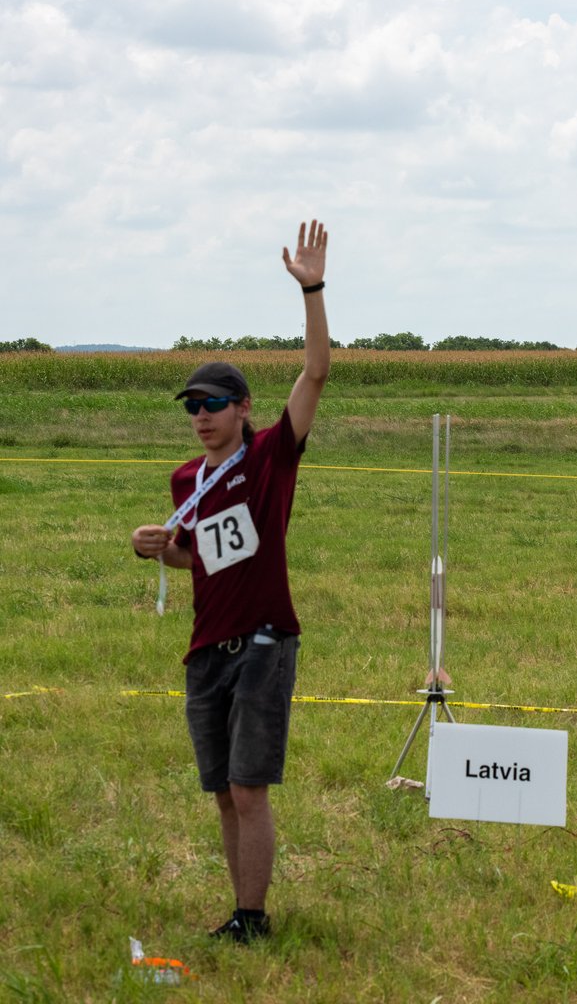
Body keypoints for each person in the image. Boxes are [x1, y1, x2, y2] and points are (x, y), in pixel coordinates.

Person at [131, 220, 329, 943]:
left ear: (243, 408)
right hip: (204, 646)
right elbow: (196, 557)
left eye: (213, 404)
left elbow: (314, 373)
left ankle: (253, 917)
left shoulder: (273, 456)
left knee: (249, 788)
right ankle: (238, 909)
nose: (201, 417)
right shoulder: (187, 478)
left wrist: (311, 288)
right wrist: (153, 548)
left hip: (264, 643)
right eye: (191, 407)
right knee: (221, 792)